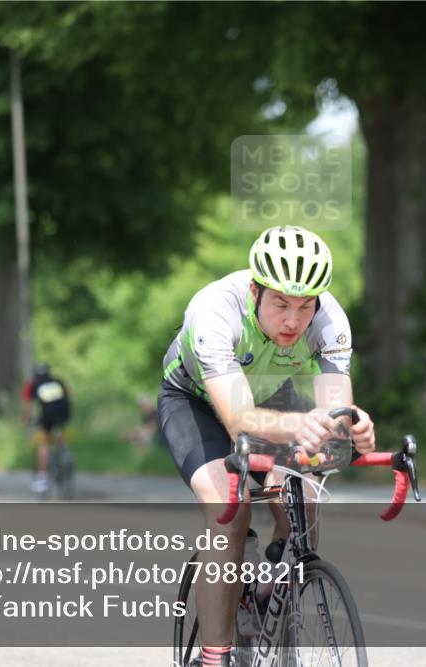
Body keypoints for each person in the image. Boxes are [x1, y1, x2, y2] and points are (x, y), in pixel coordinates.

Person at [158, 225, 375, 667]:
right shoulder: (215, 311)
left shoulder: (330, 321)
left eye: (305, 305)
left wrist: (352, 428)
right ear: (255, 292)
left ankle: (266, 593)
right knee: (230, 509)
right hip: (197, 401)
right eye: (280, 304)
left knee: (305, 499)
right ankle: (215, 657)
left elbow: (335, 410)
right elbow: (238, 418)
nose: (294, 320)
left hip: (272, 397)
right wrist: (302, 424)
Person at [22, 363, 71, 494]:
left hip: (48, 414)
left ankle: (41, 479)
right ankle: (65, 453)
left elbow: (27, 406)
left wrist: (26, 419)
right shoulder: (57, 381)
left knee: (44, 443)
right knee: (60, 428)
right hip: (64, 410)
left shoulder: (32, 384)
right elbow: (68, 392)